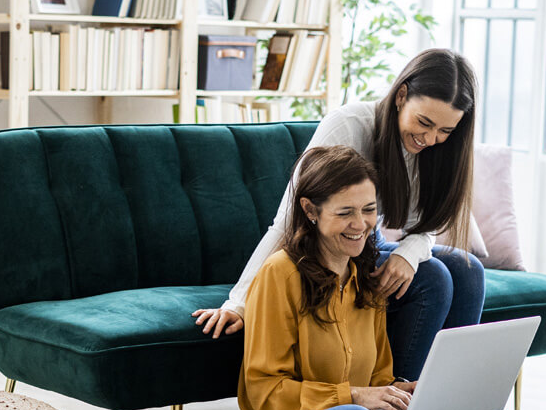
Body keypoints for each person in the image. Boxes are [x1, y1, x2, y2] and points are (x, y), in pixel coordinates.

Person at [238, 145, 535, 410]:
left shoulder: (366, 274)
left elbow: (379, 375)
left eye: (369, 210)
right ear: (310, 211)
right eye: (345, 212)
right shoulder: (280, 275)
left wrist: (401, 392)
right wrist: (354, 397)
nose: (361, 224)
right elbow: (262, 392)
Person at [194, 48, 485, 381]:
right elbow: (288, 222)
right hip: (321, 250)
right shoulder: (348, 126)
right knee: (432, 278)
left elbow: (426, 226)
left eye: (445, 131)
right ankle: (396, 408)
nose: (431, 139)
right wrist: (240, 301)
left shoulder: (437, 151)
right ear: (401, 95)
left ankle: (449, 400)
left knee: (468, 271)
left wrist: (409, 253)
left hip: (363, 246)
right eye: (424, 122)